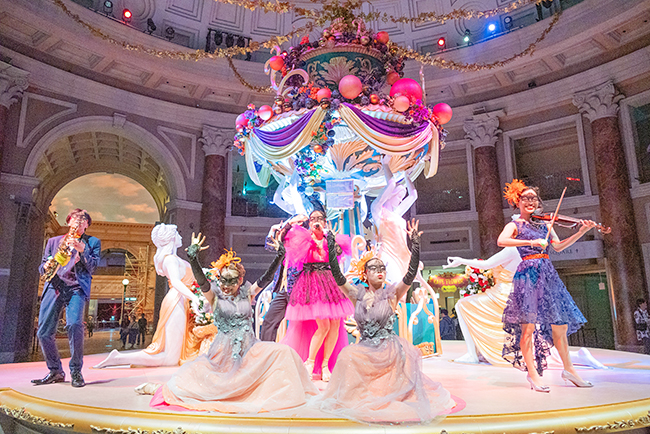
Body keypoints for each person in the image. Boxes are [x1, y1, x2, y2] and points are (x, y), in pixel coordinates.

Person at [139, 234, 318, 413]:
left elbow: (265, 279)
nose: (226, 285)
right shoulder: (215, 297)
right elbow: (202, 283)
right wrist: (193, 259)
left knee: (284, 352)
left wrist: (279, 257)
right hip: (223, 355)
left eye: (232, 281)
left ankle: (287, 392)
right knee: (206, 387)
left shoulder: (247, 294)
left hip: (250, 350)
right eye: (223, 281)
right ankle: (159, 389)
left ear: (240, 280)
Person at [321, 219, 455, 423]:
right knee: (347, 356)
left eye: (382, 267)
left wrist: (415, 244)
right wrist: (331, 245)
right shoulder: (355, 293)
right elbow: (337, 275)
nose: (380, 270)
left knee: (403, 358)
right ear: (365, 274)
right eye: (374, 268)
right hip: (365, 348)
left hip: (389, 348)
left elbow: (410, 274)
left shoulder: (393, 293)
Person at [498, 179, 597, 392]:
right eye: (525, 198)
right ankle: (532, 374)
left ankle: (569, 369)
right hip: (528, 275)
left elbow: (559, 247)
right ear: (518, 202)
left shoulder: (545, 225)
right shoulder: (514, 225)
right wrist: (531, 242)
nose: (530, 201)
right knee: (528, 328)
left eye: (533, 198)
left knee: (559, 324)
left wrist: (580, 232)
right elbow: (501, 241)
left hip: (547, 274)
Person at [444, 248, 606, 369]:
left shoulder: (513, 249)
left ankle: (472, 354)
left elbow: (486, 264)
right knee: (532, 347)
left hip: (504, 295)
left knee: (462, 305)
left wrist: (461, 260)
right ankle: (577, 357)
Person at [94, 224, 204, 368]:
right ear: (170, 237)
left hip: (182, 301)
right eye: (177, 233)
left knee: (173, 356)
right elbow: (176, 282)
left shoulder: (174, 258)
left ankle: (119, 358)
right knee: (170, 358)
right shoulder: (170, 259)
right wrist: (194, 298)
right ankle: (118, 358)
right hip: (177, 301)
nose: (181, 236)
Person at [281, 209, 354, 381]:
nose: (316, 221)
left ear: (325, 221)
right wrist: (290, 225)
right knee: (324, 326)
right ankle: (309, 361)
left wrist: (329, 238)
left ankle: (325, 365)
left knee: (336, 323)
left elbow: (336, 255)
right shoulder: (305, 239)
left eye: (319, 218)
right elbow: (286, 246)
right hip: (312, 283)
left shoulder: (331, 239)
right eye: (313, 219)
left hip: (330, 284)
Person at [32, 209, 101, 388]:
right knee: (43, 332)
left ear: (87, 225)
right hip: (54, 286)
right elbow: (42, 266)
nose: (79, 222)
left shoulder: (92, 242)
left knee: (74, 325)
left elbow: (93, 267)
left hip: (76, 287)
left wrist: (83, 251)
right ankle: (55, 371)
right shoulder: (54, 241)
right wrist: (45, 265)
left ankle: (76, 371)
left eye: (83, 219)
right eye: (76, 219)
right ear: (69, 222)